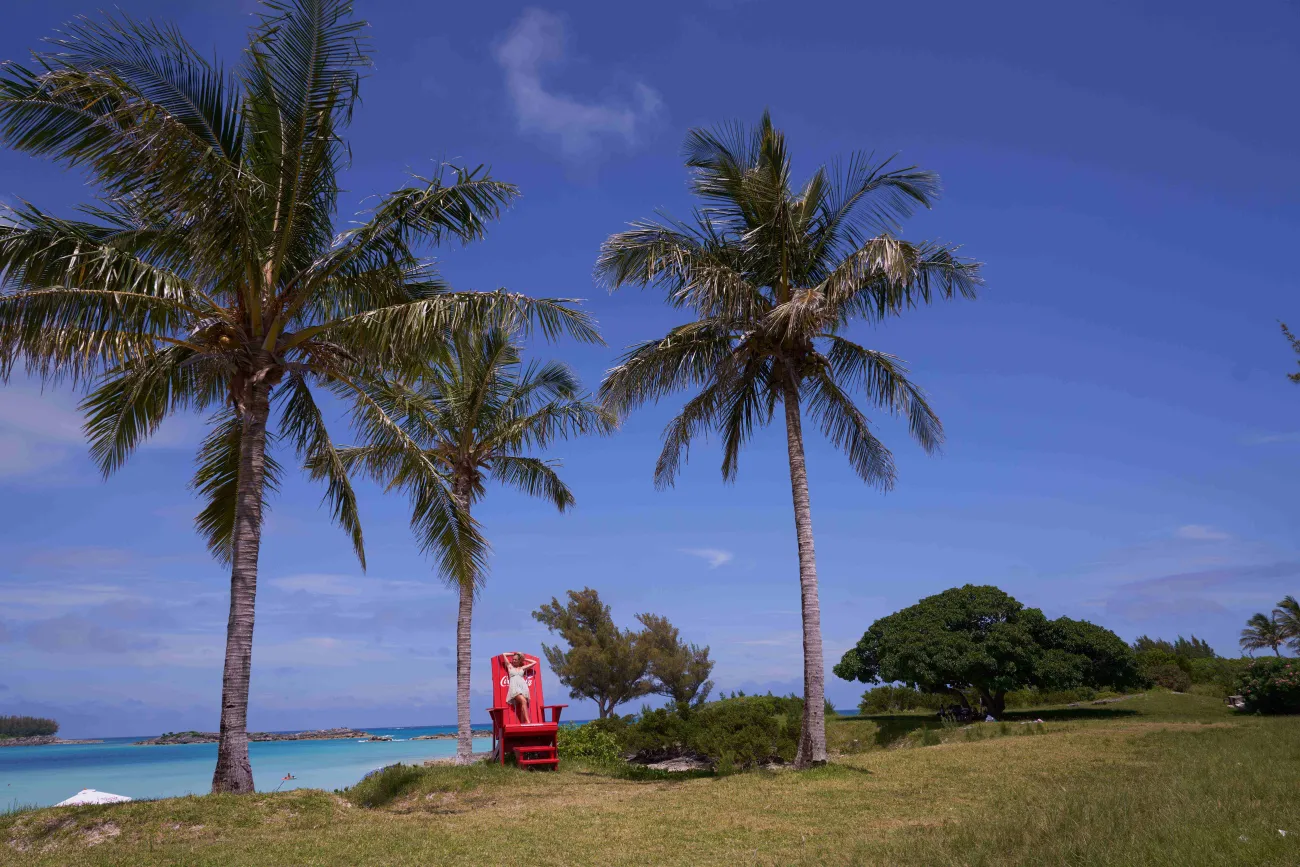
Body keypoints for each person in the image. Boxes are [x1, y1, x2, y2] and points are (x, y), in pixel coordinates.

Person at [502, 652, 537, 724]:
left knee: (522, 705)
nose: (514, 661)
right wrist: (514, 654)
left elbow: (534, 662)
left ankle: (522, 723)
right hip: (514, 688)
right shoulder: (510, 666)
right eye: (513, 659)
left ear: (519, 661)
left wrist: (524, 659)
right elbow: (504, 654)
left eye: (516, 660)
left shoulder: (522, 668)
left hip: (523, 688)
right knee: (523, 701)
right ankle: (528, 721)